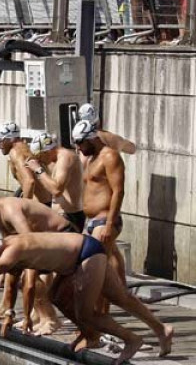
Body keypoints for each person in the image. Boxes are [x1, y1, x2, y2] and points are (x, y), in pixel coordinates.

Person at [0, 233, 173, 362]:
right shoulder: (5, 246)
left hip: (85, 254)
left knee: (86, 311)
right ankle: (161, 329)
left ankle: (131, 339)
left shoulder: (13, 251)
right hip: (78, 255)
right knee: (65, 297)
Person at [0, 183, 70, 335]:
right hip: (44, 240)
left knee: (27, 278)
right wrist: (2, 271)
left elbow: (30, 242)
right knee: (12, 272)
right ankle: (32, 315)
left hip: (63, 237)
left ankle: (50, 318)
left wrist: (28, 273)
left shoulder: (9, 209)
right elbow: (7, 249)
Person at [73, 120, 128, 291]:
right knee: (98, 266)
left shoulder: (110, 156)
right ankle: (120, 296)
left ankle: (101, 313)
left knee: (97, 272)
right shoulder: (92, 158)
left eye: (80, 143)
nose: (78, 148)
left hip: (104, 221)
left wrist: (110, 224)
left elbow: (118, 191)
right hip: (90, 222)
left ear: (91, 139)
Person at [25, 132, 86, 232]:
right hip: (61, 215)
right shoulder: (56, 160)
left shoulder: (66, 158)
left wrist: (38, 169)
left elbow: (56, 190)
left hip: (69, 217)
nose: (39, 161)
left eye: (39, 157)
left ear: (47, 151)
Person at [0, 122, 51, 203]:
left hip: (43, 205)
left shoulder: (15, 152)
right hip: (48, 201)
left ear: (10, 139)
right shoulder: (25, 147)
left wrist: (24, 207)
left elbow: (29, 181)